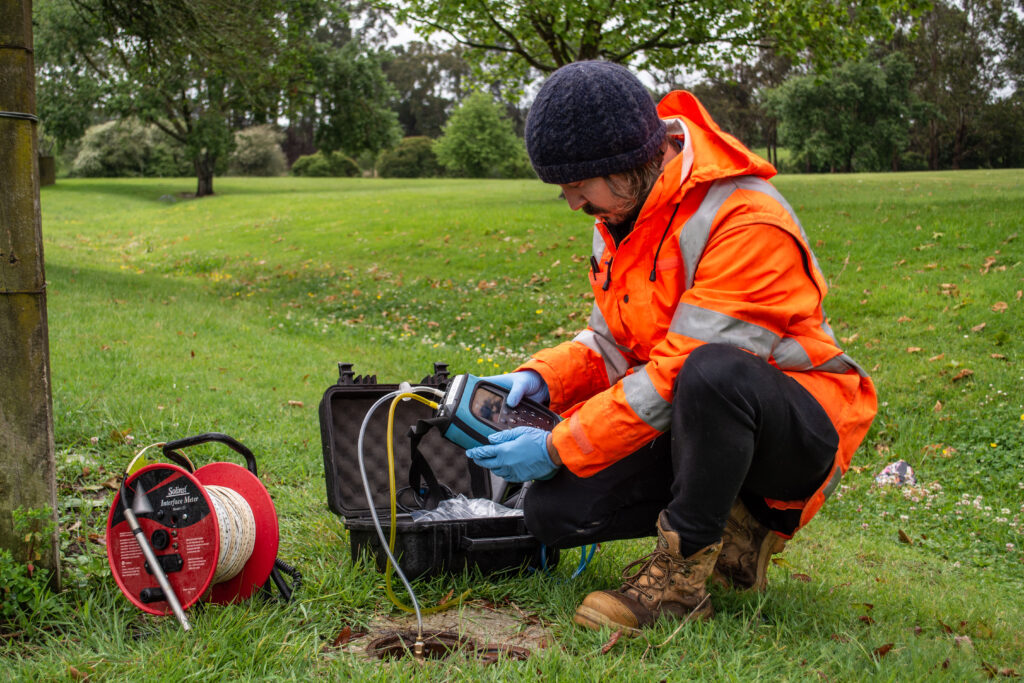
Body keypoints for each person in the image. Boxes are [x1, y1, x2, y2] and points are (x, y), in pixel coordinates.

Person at [464, 61, 877, 635]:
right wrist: (543, 379)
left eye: (577, 186)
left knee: (713, 373)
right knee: (552, 512)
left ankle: (683, 577)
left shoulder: (746, 218)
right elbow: (611, 341)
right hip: (693, 413)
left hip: (795, 432)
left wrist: (560, 444)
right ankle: (728, 528)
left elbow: (676, 374)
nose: (572, 204)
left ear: (627, 164)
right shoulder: (620, 213)